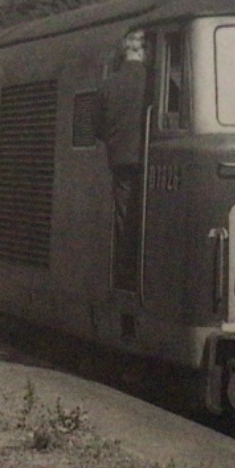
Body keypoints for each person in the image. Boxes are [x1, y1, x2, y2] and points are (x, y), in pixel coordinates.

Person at [101, 31, 148, 291]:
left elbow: (96, 126)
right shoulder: (155, 83)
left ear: (125, 51)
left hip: (120, 160)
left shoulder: (109, 84)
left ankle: (125, 274)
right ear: (144, 52)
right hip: (151, 159)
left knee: (124, 217)